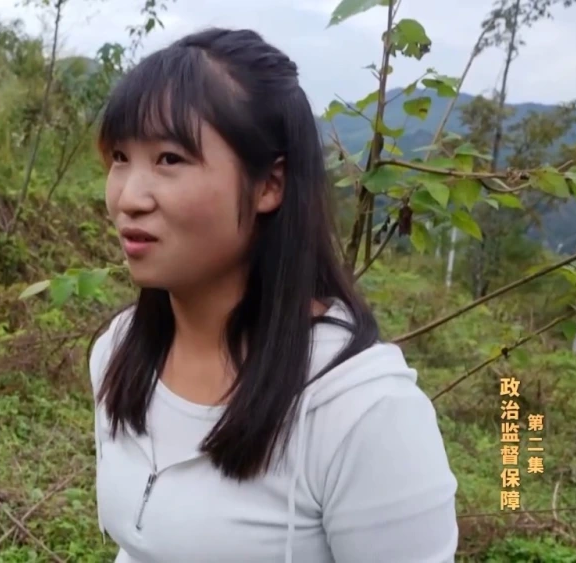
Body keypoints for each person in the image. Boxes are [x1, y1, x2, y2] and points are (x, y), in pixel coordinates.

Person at [87, 27, 459, 563]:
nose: (129, 197)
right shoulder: (120, 353)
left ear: (269, 185)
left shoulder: (363, 411)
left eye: (169, 159)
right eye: (120, 157)